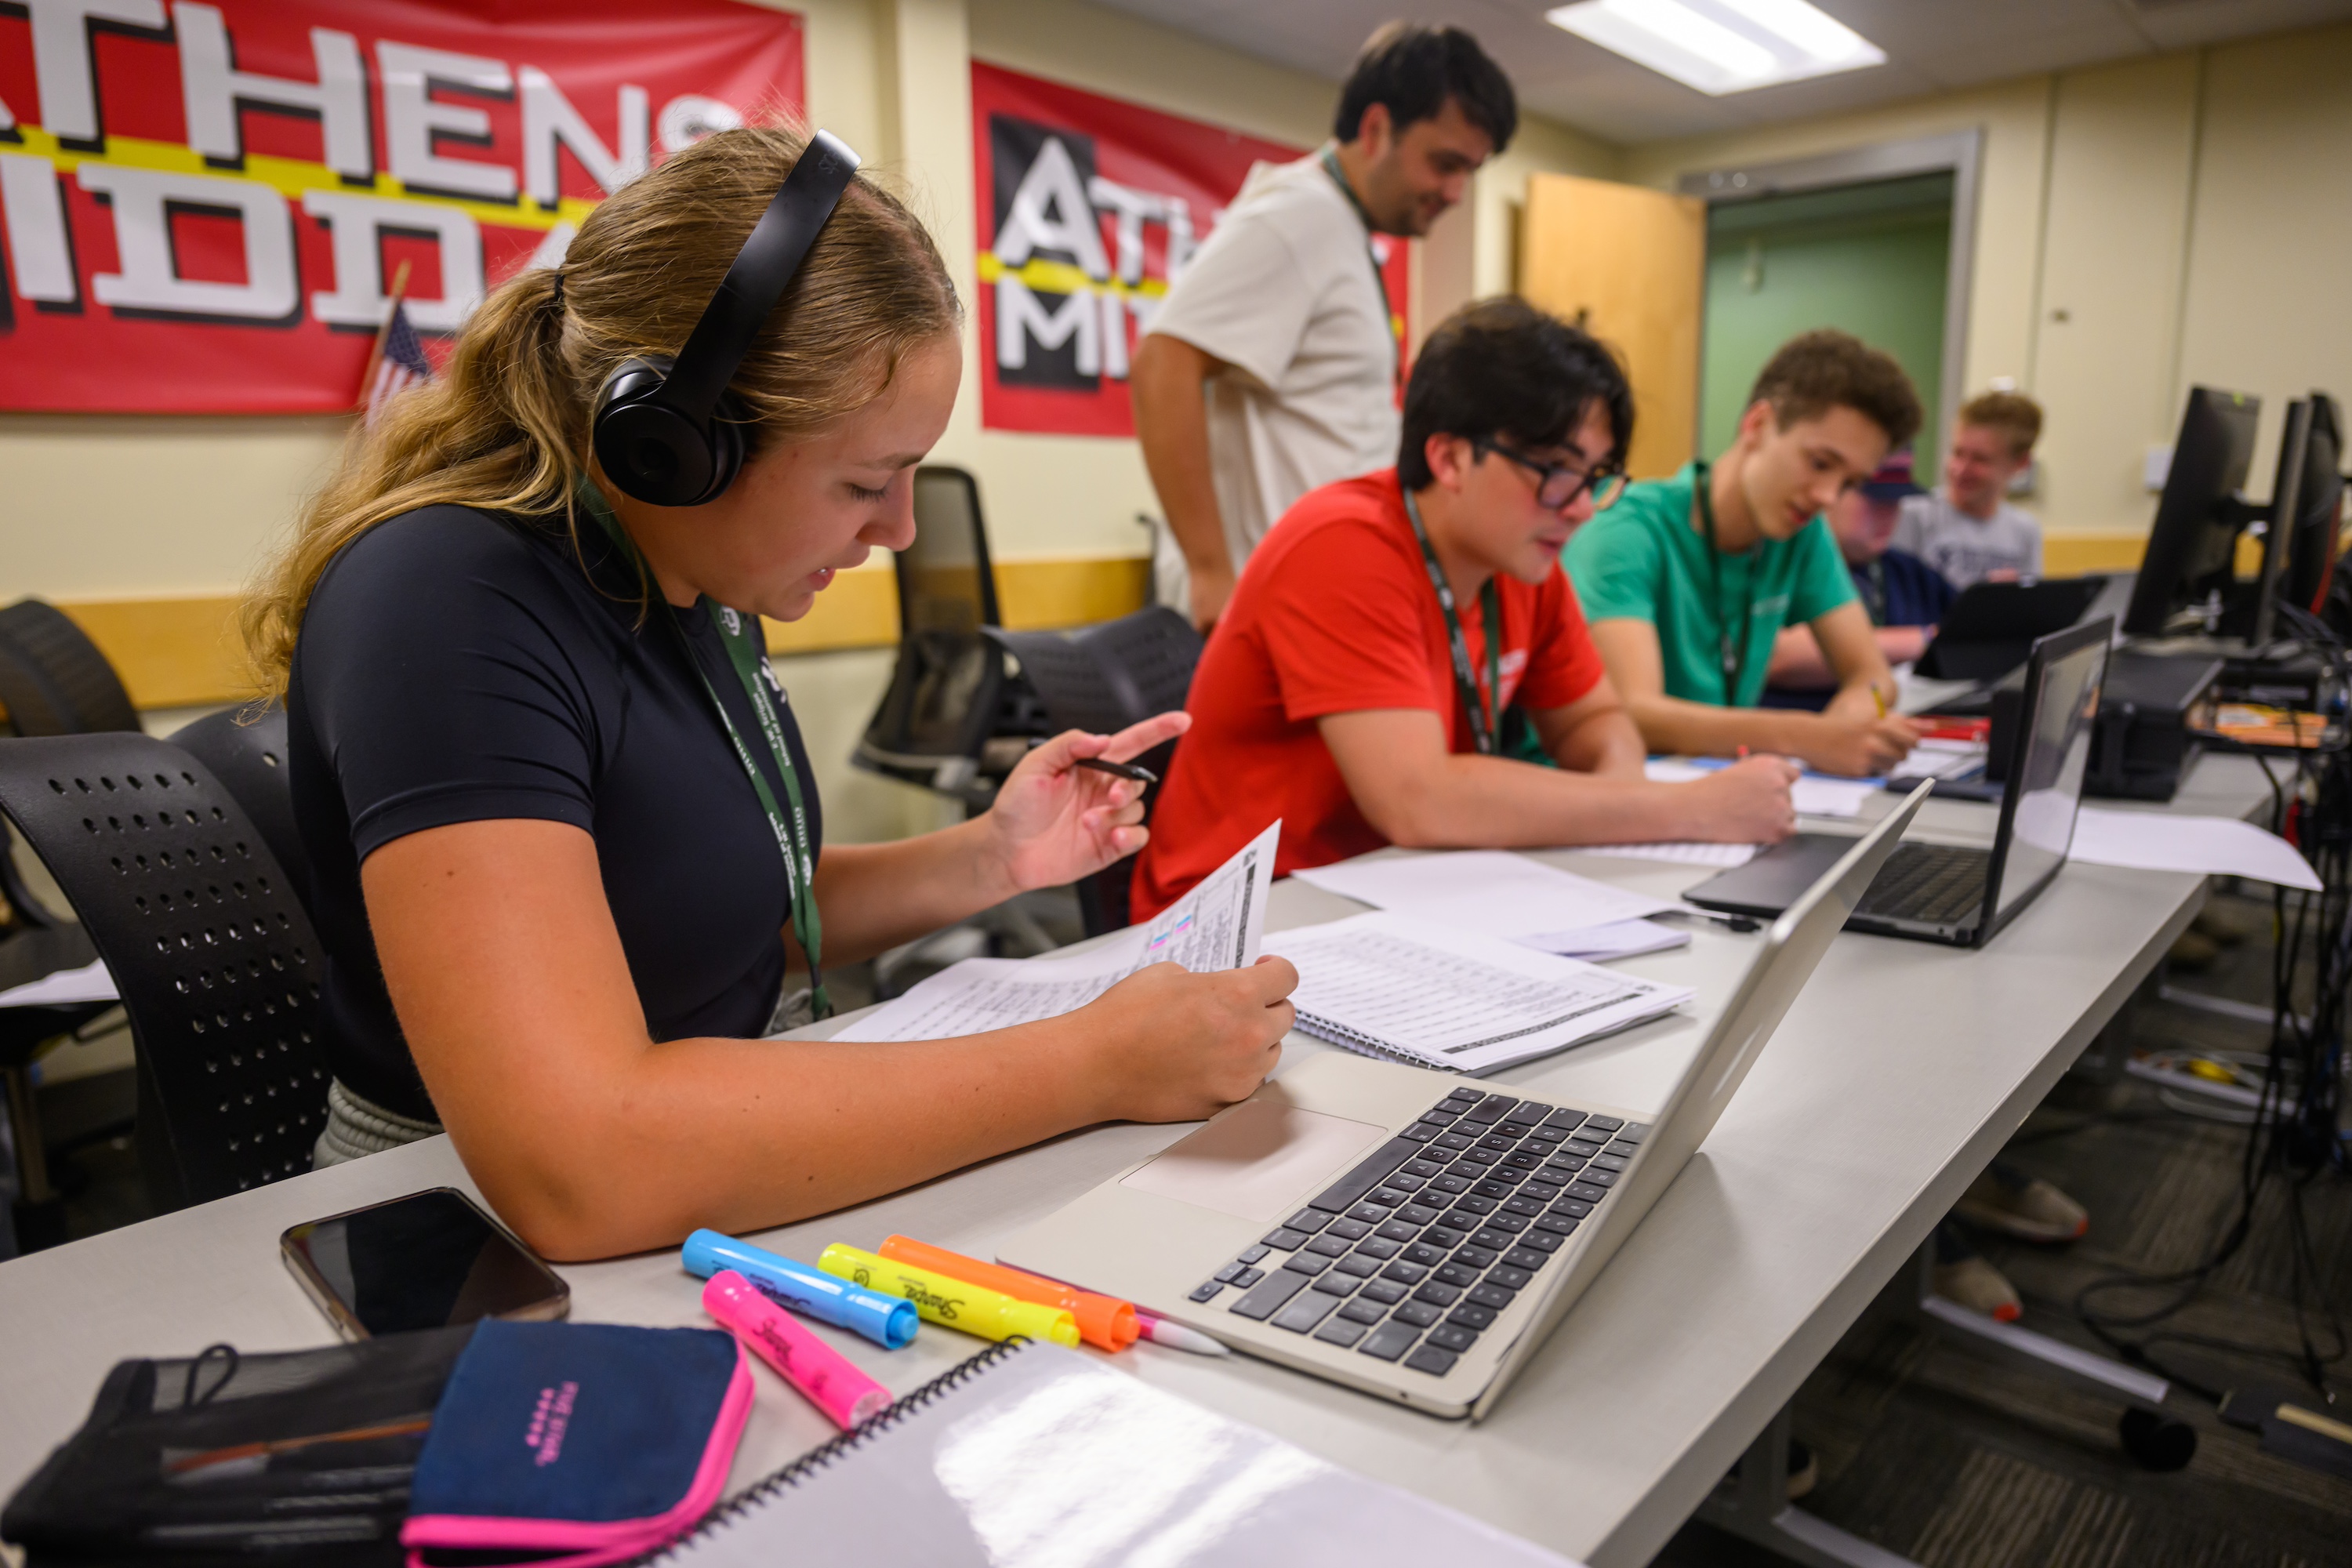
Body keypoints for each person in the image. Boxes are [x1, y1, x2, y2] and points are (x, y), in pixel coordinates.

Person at [243, 128, 1298, 1263]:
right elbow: (580, 1165)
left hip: (703, 1156)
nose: (899, 530)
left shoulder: (689, 577)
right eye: (866, 482)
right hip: (467, 1225)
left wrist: (991, 858)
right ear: (678, 446)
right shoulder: (446, 603)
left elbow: (717, 913)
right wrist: (1098, 1061)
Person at [1131, 299, 1799, 918]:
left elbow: (1595, 721)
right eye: (1556, 470)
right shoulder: (1344, 546)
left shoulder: (1524, 559)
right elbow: (1418, 800)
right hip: (1236, 915)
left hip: (1393, 887)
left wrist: (1622, 792)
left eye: (1596, 476)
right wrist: (1685, 809)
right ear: (1449, 458)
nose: (1579, 508)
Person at [1131, 22, 1515, 631]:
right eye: (1444, 164)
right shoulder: (1300, 216)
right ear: (1376, 129)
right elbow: (1163, 362)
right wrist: (1210, 571)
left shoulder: (1338, 225)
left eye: (1469, 171)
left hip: (1323, 595)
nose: (1455, 192)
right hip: (1273, 607)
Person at [1563, 330, 1930, 779]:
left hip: (1725, 789)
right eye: (1819, 463)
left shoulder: (1801, 531)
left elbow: (1873, 677)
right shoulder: (1626, 528)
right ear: (1757, 425)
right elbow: (1633, 713)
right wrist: (1807, 737)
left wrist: (1848, 727)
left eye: (1850, 483)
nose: (1828, 497)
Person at [1766, 449, 1955, 699]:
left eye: (1896, 502)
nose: (1888, 514)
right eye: (1876, 501)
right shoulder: (1783, 562)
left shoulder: (1912, 575)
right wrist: (1927, 640)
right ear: (1831, 494)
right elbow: (1777, 656)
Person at [1893, 390, 2045, 588]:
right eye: (1957, 453)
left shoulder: (2025, 532)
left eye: (1980, 459)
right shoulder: (1913, 515)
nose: (1960, 469)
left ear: (2020, 463)